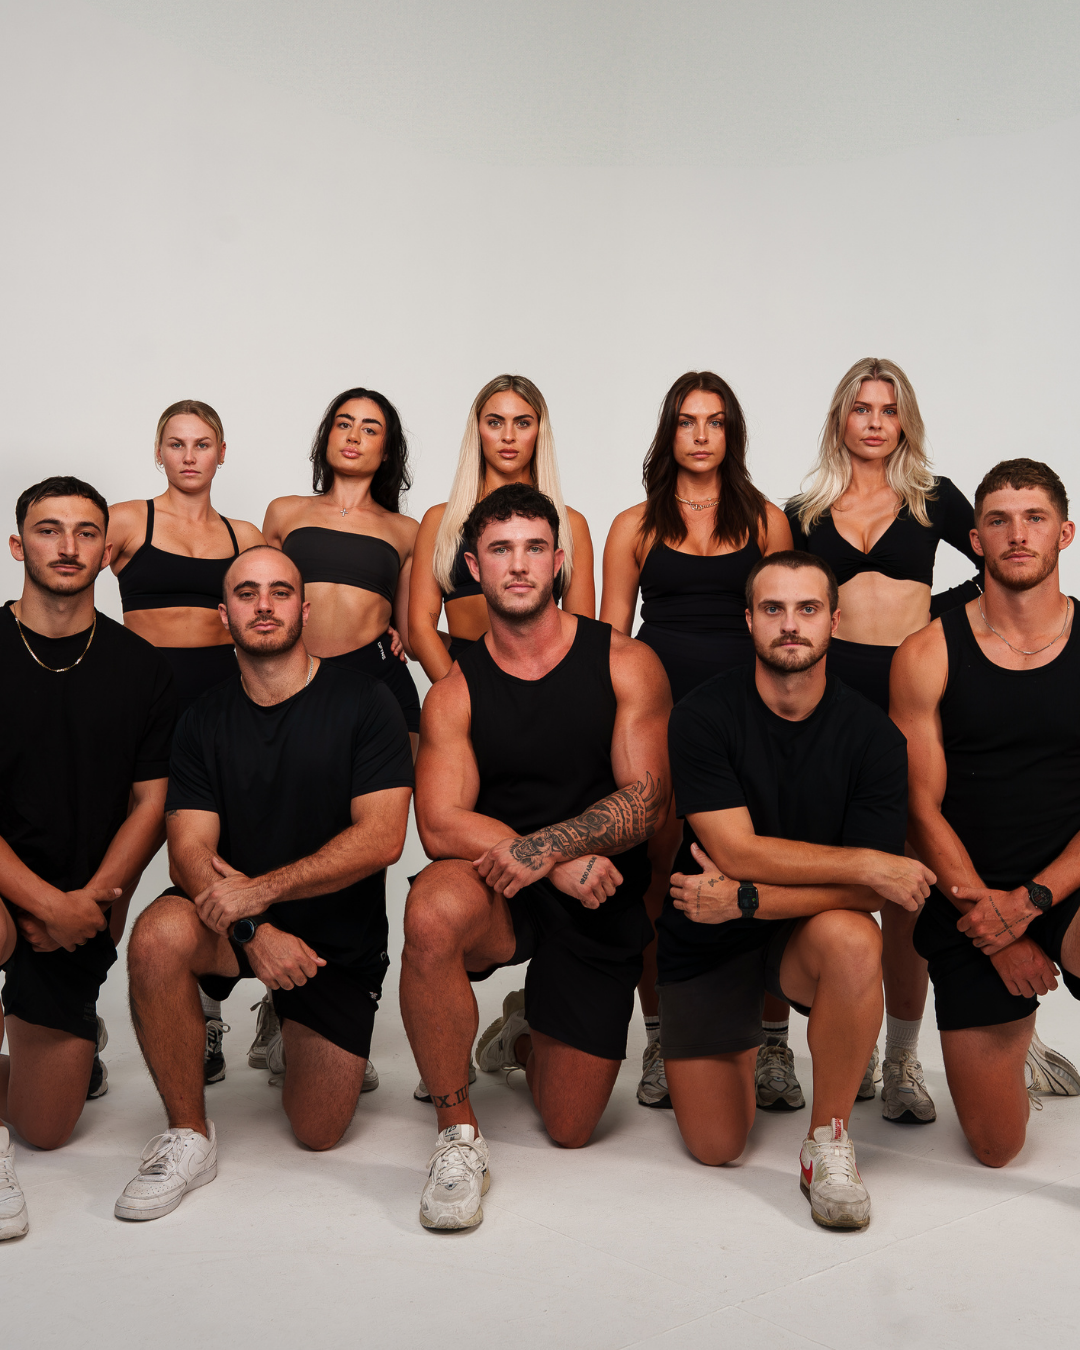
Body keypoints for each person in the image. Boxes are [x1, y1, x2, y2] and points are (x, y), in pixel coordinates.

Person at [401, 483, 670, 1230]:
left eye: (532, 548)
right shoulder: (454, 690)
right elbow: (440, 824)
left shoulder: (625, 662)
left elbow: (649, 802)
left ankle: (523, 1029)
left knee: (570, 1127)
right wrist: (549, 859)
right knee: (429, 909)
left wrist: (555, 847)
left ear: (558, 562)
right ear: (473, 568)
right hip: (503, 889)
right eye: (499, 549)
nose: (517, 565)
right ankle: (458, 1134)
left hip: (600, 891)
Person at [115, 546, 413, 1222]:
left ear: (303, 609)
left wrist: (262, 891)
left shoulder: (365, 702)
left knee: (317, 1131)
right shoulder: (202, 719)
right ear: (225, 614)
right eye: (247, 593)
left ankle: (287, 1016)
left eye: (280, 591)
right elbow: (188, 853)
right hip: (240, 925)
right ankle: (189, 1134)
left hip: (333, 941)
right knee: (158, 935)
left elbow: (382, 839)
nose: (264, 604)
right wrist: (253, 932)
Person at [660, 550, 934, 1230]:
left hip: (780, 928)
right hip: (706, 936)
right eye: (774, 609)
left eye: (807, 609)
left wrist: (748, 898)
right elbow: (735, 850)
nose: (791, 625)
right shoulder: (701, 715)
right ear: (748, 619)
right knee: (717, 1148)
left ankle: (828, 1139)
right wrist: (863, 867)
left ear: (834, 621)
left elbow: (862, 899)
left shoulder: (874, 737)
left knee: (852, 940)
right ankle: (750, 1047)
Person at [774, 358, 987, 1122]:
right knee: (826, 862)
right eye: (860, 407)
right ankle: (844, 1045)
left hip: (908, 695)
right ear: (840, 418)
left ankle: (901, 1059)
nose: (873, 421)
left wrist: (940, 614)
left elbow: (998, 560)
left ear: (903, 421)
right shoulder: (804, 507)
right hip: (829, 701)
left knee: (904, 878)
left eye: (887, 409)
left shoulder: (933, 497)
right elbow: (779, 602)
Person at [601, 370, 792, 1109]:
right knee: (657, 874)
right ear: (670, 433)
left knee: (763, 874)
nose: (702, 435)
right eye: (688, 421)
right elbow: (611, 636)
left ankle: (773, 1043)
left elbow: (785, 623)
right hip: (658, 717)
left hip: (751, 719)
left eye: (715, 421)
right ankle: (660, 1036)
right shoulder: (636, 524)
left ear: (731, 433)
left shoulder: (766, 519)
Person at [892, 459, 1080, 1167]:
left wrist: (1031, 905)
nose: (1017, 534)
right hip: (967, 898)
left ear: (1064, 532)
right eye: (998, 520)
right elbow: (918, 807)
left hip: (1064, 885)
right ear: (975, 539)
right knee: (997, 1147)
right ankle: (1018, 1047)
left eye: (1034, 517)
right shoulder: (927, 652)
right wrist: (997, 931)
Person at [0, 476, 175, 1240]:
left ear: (107, 552)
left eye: (82, 533)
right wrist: (46, 905)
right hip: (17, 894)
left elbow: (152, 804)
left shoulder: (140, 664)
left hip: (83, 902)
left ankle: (60, 1046)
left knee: (44, 1129)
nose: (66, 547)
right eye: (47, 530)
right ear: (17, 546)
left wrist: (92, 904)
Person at [109, 400, 264, 1083]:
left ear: (222, 453)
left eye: (203, 444)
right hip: (138, 715)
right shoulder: (125, 519)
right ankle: (76, 1012)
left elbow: (277, 609)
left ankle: (208, 1017)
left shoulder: (245, 533)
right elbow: (66, 583)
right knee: (116, 869)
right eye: (177, 443)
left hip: (219, 717)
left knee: (216, 862)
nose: (190, 455)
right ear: (159, 451)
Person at [263, 386, 422, 752]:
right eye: (344, 424)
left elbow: (413, 636)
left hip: (379, 680)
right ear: (327, 437)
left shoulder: (406, 530)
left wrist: (400, 631)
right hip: (294, 679)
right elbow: (258, 602)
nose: (353, 436)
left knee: (381, 806)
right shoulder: (283, 512)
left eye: (370, 429)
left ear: (386, 452)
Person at [408, 374, 595, 684]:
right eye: (495, 422)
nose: (508, 436)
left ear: (539, 431)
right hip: (463, 678)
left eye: (522, 423)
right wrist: (457, 695)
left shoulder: (571, 523)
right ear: (478, 430)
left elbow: (581, 630)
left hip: (547, 683)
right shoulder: (440, 520)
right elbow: (420, 628)